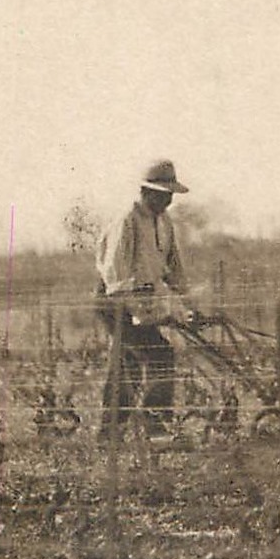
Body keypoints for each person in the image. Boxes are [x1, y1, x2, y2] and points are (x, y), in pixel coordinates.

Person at [94, 159, 195, 441]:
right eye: (164, 194)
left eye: (171, 194)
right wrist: (138, 309)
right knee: (159, 355)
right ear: (147, 192)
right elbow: (115, 273)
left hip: (142, 297)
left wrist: (187, 304)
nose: (169, 199)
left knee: (127, 364)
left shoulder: (164, 222)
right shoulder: (126, 220)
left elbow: (174, 267)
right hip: (116, 299)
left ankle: (109, 432)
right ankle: (155, 426)